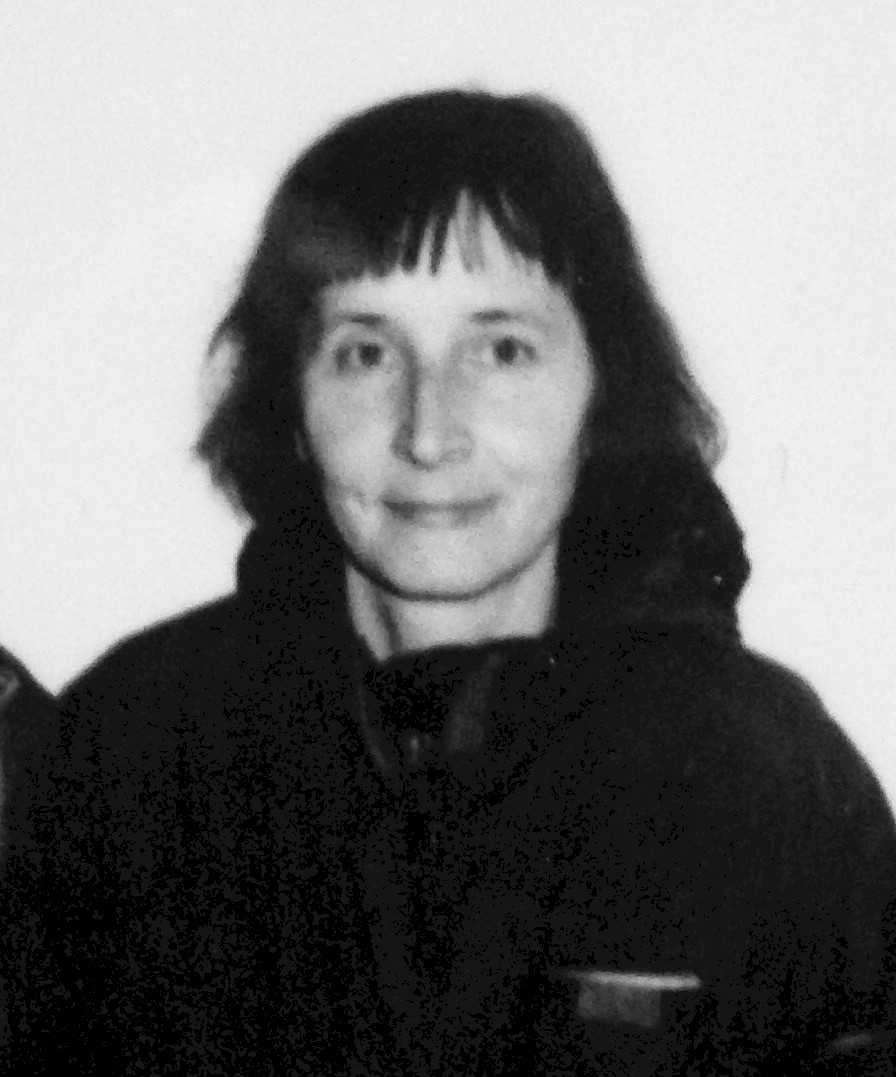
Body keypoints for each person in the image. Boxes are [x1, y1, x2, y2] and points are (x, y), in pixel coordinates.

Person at [4, 89, 895, 1074]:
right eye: (364, 352)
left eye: (501, 349)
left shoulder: (766, 783)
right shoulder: (125, 754)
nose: (428, 432)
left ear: (602, 388)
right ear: (292, 401)